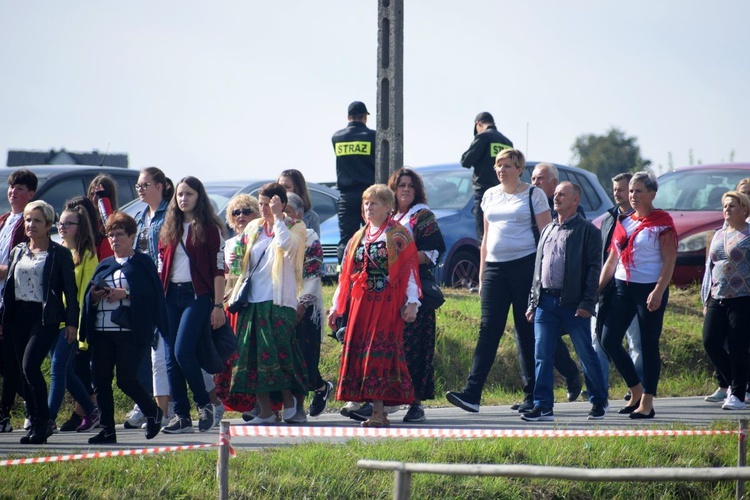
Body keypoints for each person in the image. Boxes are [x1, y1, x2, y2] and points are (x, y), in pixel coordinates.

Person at [446, 149, 551, 414]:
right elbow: (485, 239)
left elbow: (547, 237)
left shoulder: (533, 195)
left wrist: (544, 276)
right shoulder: (490, 195)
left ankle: (532, 395)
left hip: (525, 267)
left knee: (525, 330)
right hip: (494, 267)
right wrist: (481, 276)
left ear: (519, 168)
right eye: (498, 165)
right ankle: (472, 393)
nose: (501, 170)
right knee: (488, 329)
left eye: (506, 165)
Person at [328, 184, 419, 428]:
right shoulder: (358, 237)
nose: (369, 207)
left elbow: (410, 271)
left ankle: (379, 412)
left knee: (378, 354)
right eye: (366, 203)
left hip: (386, 303)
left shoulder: (398, 235)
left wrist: (412, 302)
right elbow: (346, 275)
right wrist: (337, 306)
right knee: (361, 352)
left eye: (375, 203)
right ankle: (371, 407)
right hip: (361, 303)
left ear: (388, 207)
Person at [522, 182, 608, 422]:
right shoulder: (548, 229)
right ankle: (543, 406)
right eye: (556, 194)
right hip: (545, 302)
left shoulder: (588, 230)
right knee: (542, 354)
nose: (556, 197)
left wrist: (588, 302)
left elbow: (594, 269)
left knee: (585, 353)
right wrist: (532, 302)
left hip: (573, 303)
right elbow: (538, 269)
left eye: (562, 194)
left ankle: (599, 401)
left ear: (575, 200)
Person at [81, 212, 167, 444]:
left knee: (126, 379)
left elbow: (153, 297)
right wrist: (95, 297)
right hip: (101, 333)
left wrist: (126, 294)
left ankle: (153, 411)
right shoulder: (105, 265)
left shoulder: (142, 263)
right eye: (111, 235)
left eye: (119, 234)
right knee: (100, 381)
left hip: (129, 333)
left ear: (131, 237)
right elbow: (88, 299)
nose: (114, 239)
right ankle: (108, 430)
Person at [228, 183, 307, 425]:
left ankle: (292, 404)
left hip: (279, 301)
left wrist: (278, 219)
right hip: (252, 301)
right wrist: (235, 259)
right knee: (252, 358)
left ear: (281, 204)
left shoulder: (295, 226)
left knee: (281, 356)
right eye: (261, 204)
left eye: (267, 204)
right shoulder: (254, 227)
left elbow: (287, 246)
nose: (262, 209)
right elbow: (238, 255)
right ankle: (265, 411)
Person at [599, 171, 677, 419]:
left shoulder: (662, 222)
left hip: (650, 289)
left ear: (652, 194)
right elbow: (612, 261)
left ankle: (647, 401)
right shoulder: (624, 220)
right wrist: (594, 291)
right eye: (631, 191)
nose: (632, 196)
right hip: (623, 287)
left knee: (648, 344)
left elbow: (669, 261)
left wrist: (658, 291)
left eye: (638, 191)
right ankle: (635, 389)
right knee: (608, 340)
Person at [0, 200, 78, 444]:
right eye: (27, 219)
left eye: (36, 220)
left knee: (30, 366)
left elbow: (71, 292)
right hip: (17, 316)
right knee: (21, 372)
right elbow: (10, 290)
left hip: (45, 317)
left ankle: (44, 421)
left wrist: (73, 324)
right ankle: (34, 422)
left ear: (48, 225)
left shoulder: (59, 254)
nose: (30, 225)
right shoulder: (18, 251)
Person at [158, 176, 226, 433]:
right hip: (169, 297)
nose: (183, 198)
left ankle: (204, 404)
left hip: (197, 297)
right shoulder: (169, 228)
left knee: (182, 352)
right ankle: (182, 417)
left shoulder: (209, 229)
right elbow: (161, 268)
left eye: (189, 194)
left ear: (199, 197)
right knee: (170, 360)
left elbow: (219, 270)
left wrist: (218, 306)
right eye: (180, 194)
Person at [388, 167, 446, 423]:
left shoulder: (423, 216)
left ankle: (416, 403)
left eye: (410, 185)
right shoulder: (387, 215)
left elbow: (433, 253)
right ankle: (378, 402)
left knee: (416, 349)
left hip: (416, 292)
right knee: (388, 347)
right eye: (401, 185)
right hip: (388, 293)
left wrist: (401, 258)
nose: (406, 189)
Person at [529, 162, 584, 401]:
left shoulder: (570, 214)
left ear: (554, 182)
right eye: (532, 179)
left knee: (578, 341)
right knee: (538, 335)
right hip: (535, 278)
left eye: (540, 179)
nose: (534, 183)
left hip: (566, 290)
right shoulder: (529, 202)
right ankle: (534, 395)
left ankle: (590, 386)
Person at [126, 167, 175, 430]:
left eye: (145, 185)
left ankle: (207, 401)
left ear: (160, 186)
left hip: (168, 290)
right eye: (138, 186)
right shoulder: (141, 216)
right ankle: (158, 409)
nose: (141, 189)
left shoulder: (170, 215)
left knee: (175, 353)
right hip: (145, 292)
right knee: (155, 353)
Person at [47, 206, 100, 433]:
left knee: (58, 367)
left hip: (71, 323)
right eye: (61, 222)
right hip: (52, 321)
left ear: (80, 228)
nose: (62, 226)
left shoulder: (88, 255)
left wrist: (78, 328)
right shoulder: (56, 251)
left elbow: (85, 295)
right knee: (66, 371)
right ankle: (92, 410)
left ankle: (47, 418)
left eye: (68, 223)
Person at [593, 173, 643, 400]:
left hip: (631, 289)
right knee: (601, 341)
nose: (617, 193)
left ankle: (638, 388)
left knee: (636, 341)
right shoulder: (608, 219)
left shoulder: (642, 220)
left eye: (622, 189)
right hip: (607, 289)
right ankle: (599, 388)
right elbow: (605, 257)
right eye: (615, 189)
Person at [700, 191, 750, 410]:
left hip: (743, 297)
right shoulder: (718, 234)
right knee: (710, 340)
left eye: (732, 206)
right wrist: (705, 296)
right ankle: (738, 383)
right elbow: (710, 268)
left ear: (745, 210)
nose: (727, 209)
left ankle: (738, 396)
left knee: (739, 346)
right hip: (718, 296)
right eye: (725, 206)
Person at [213, 193, 259, 415]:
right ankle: (229, 403)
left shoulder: (260, 239)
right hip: (231, 303)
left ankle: (256, 404)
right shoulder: (228, 243)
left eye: (246, 211)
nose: (241, 216)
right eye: (236, 212)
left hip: (251, 302)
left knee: (250, 356)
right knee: (229, 356)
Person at [285, 192, 328, 422]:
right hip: (280, 302)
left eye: (289, 212)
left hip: (305, 307)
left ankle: (299, 406)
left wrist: (301, 306)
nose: (284, 216)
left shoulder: (309, 237)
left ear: (300, 215)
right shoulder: (276, 234)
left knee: (303, 359)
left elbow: (312, 274)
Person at [0, 169, 36, 433]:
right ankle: (31, 404)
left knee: (14, 359)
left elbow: (21, 263)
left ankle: (19, 410)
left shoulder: (28, 223)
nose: (13, 191)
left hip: (15, 300)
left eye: (20, 187)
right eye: (12, 186)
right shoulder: (3, 220)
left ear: (31, 194)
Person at [332, 101, 376, 263]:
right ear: (365, 117)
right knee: (374, 235)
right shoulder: (374, 137)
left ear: (348, 117)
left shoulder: (337, 137)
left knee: (346, 239)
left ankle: (343, 274)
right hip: (369, 195)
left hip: (346, 196)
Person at [460, 111, 513, 241]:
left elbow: (466, 161)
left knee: (484, 238)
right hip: (505, 195)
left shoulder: (482, 137)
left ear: (478, 124)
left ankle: (485, 262)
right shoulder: (507, 143)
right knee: (502, 236)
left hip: (485, 194)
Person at [278, 169, 320, 237]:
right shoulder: (270, 212)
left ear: (298, 189)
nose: (282, 191)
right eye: (279, 187)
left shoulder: (311, 217)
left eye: (287, 187)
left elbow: (315, 245)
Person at [87, 175, 118, 260]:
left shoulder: (116, 218)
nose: (94, 198)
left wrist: (102, 199)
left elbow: (109, 225)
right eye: (92, 194)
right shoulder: (87, 218)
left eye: (98, 195)